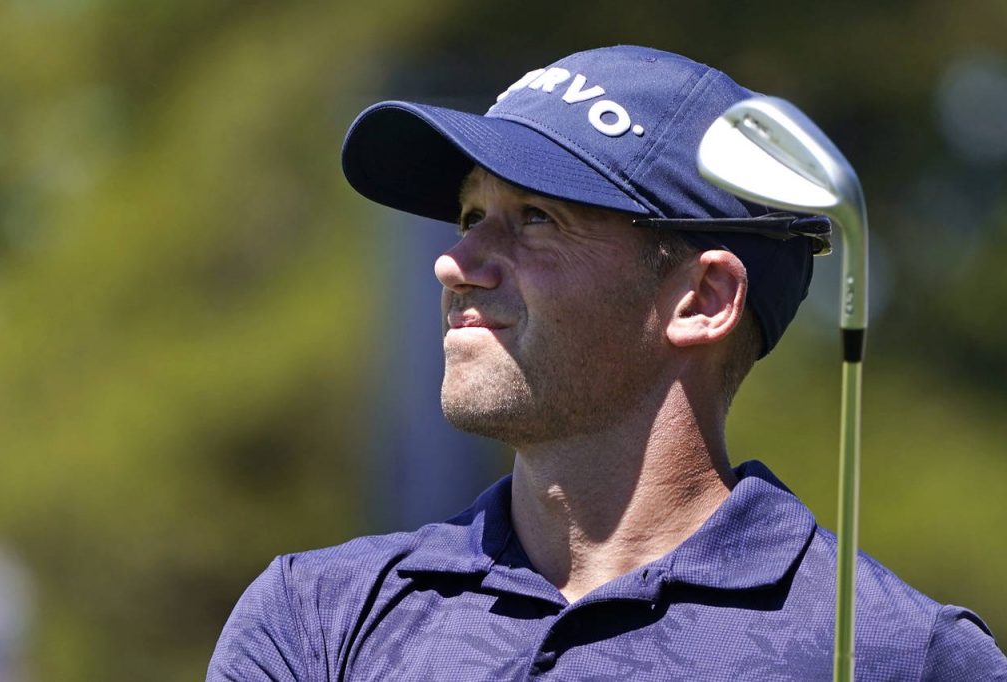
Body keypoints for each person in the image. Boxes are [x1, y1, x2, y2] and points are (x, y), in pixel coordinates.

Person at [208, 45, 1006, 680]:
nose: (456, 262)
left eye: (535, 218)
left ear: (701, 299)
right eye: (472, 215)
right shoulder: (317, 618)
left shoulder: (902, 654)